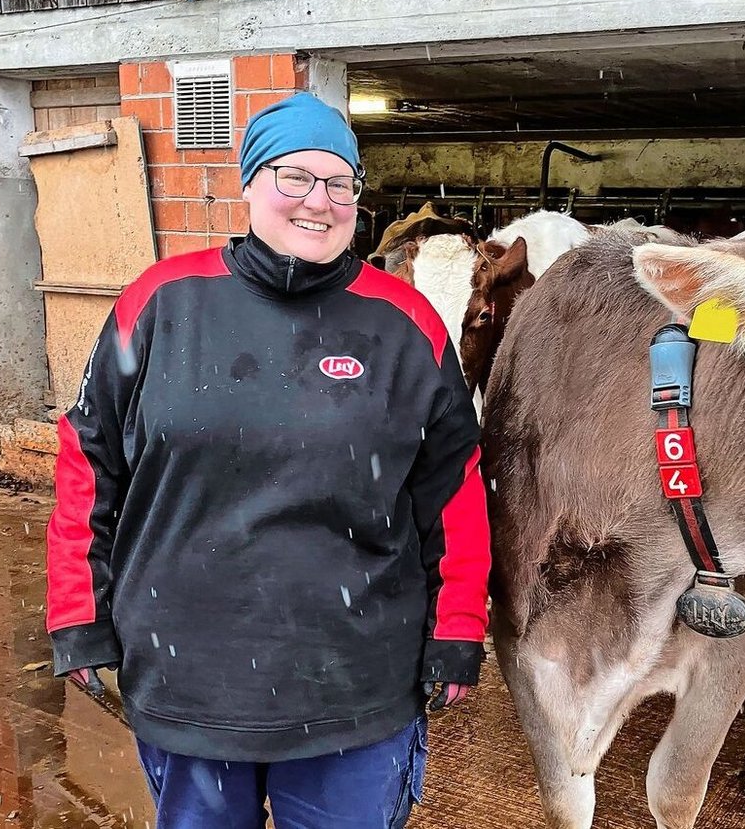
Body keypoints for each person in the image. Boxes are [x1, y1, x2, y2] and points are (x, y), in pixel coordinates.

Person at [45, 92, 491, 828]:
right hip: (191, 677)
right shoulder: (160, 304)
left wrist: (457, 624)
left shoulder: (405, 325)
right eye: (293, 176)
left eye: (339, 182)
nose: (319, 201)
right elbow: (88, 459)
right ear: (249, 182)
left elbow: (454, 487)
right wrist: (77, 611)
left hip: (353, 682)